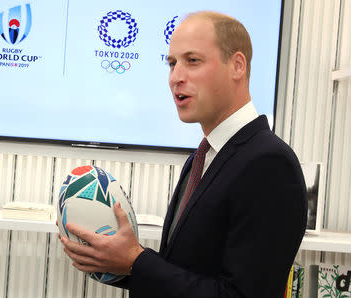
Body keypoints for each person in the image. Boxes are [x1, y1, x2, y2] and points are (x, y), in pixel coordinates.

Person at [60, 11, 307, 298]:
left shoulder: (269, 164)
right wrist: (113, 260)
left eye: (192, 61)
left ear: (237, 65)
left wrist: (135, 261)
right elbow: (186, 269)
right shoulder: (203, 157)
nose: (176, 77)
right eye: (172, 63)